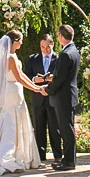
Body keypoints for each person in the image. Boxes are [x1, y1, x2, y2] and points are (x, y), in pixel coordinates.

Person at [0, 30, 44, 175]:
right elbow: (18, 77)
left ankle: (20, 155)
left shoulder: (13, 56)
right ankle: (8, 156)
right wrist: (35, 89)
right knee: (11, 122)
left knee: (16, 120)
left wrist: (35, 87)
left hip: (16, 92)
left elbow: (22, 74)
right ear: (15, 41)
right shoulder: (10, 57)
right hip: (12, 92)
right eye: (20, 40)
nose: (22, 43)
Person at [47, 24, 80, 170]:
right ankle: (68, 159)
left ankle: (69, 161)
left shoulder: (66, 54)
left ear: (60, 36)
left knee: (66, 130)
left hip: (63, 97)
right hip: (68, 95)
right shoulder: (74, 51)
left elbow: (59, 78)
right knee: (68, 128)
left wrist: (47, 90)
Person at [25, 33, 61, 166]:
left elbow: (62, 77)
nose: (45, 50)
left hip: (52, 97)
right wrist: (35, 80)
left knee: (54, 128)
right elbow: (27, 75)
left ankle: (58, 155)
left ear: (52, 45)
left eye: (48, 47)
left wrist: (52, 79)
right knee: (39, 127)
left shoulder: (58, 59)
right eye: (42, 47)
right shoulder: (33, 59)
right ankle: (40, 155)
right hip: (38, 97)